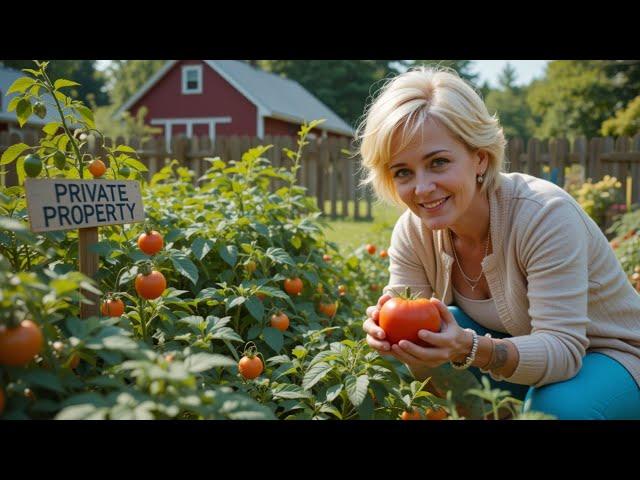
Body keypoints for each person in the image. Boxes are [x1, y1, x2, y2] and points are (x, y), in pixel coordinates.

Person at [358, 66, 640, 420]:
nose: (422, 188)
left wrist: (469, 348)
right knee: (427, 345)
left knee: (555, 411)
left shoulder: (544, 215)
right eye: (403, 172)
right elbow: (409, 330)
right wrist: (387, 335)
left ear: (480, 157)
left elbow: (564, 350)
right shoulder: (413, 232)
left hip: (610, 357)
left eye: (439, 162)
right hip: (521, 358)